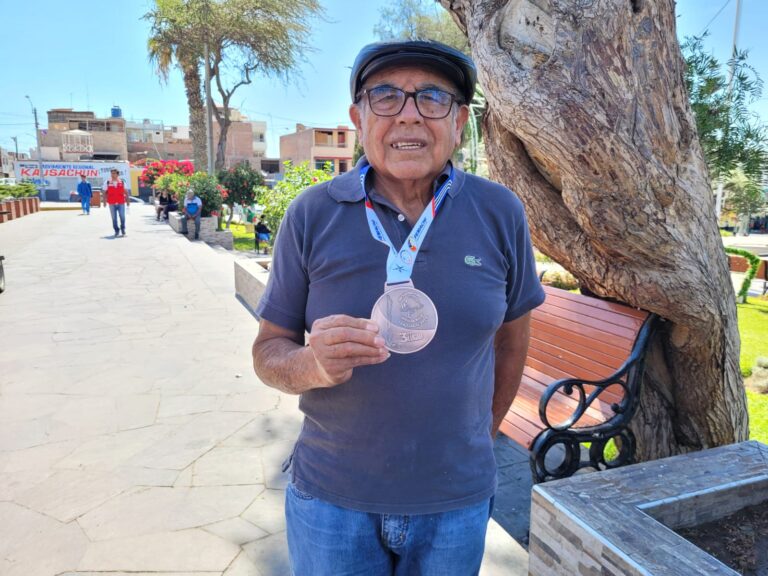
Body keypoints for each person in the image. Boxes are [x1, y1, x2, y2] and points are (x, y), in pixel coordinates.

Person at [251, 40, 545, 575]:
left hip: (456, 503)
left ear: (458, 122)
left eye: (433, 97)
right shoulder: (311, 215)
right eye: (385, 95)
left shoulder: (500, 211)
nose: (409, 113)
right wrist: (309, 365)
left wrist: (486, 438)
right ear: (358, 117)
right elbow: (268, 352)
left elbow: (513, 340)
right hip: (332, 501)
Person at [104, 169, 128, 237]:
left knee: (122, 217)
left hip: (121, 203)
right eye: (111, 173)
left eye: (114, 173)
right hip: (111, 203)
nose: (112, 175)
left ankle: (123, 229)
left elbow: (126, 192)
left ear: (117, 174)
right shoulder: (107, 182)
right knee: (114, 218)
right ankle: (116, 230)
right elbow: (104, 191)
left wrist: (128, 201)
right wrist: (105, 202)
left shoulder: (122, 182)